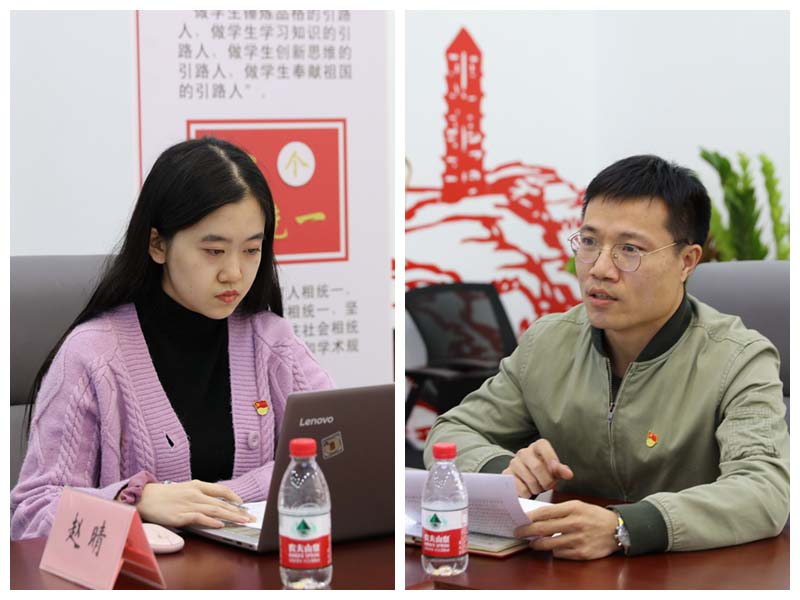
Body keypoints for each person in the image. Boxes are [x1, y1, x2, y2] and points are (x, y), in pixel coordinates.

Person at [424, 154, 789, 559]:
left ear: (686, 261)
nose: (599, 268)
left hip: (686, 571)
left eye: (629, 249)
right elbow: (451, 433)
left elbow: (764, 490)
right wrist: (504, 470)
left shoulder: (739, 359)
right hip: (565, 565)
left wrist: (626, 527)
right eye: (590, 242)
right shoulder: (549, 342)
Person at [11, 137, 334, 540]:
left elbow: (338, 452)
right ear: (158, 244)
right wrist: (135, 501)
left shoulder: (271, 341)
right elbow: (31, 514)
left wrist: (222, 499)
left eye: (252, 250)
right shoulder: (93, 355)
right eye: (214, 251)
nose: (234, 273)